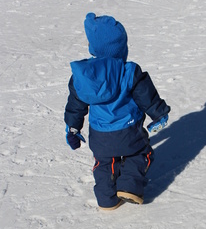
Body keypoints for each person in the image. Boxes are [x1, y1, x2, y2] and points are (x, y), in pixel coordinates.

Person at [64, 13, 170, 211]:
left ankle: (107, 200)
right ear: (122, 48)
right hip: (129, 132)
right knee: (140, 153)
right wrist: (159, 114)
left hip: (99, 135)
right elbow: (146, 96)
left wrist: (72, 128)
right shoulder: (129, 71)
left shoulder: (85, 76)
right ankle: (129, 186)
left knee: (104, 162)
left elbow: (75, 105)